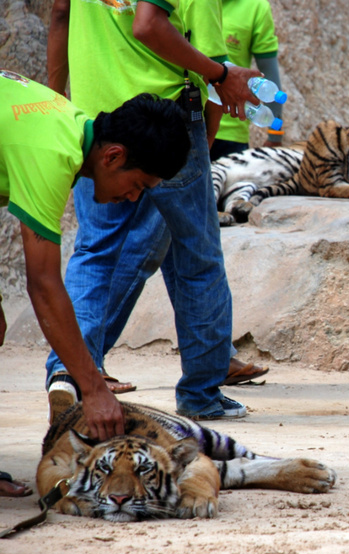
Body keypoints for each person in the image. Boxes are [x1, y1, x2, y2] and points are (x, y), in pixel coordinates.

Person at [46, 0, 263, 420]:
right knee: (197, 258)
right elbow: (167, 36)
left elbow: (59, 12)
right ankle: (201, 395)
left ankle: (67, 375)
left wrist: (58, 100)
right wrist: (207, 128)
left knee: (93, 251)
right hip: (166, 123)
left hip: (97, 121)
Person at [0, 72, 191, 494]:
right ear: (112, 156)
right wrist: (92, 387)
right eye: (138, 184)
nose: (134, 197)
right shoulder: (50, 151)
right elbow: (44, 285)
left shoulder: (69, 124)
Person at [209, 0, 285, 161]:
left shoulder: (256, 6)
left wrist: (275, 134)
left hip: (231, 132)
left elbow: (270, 77)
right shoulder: (194, 3)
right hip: (188, 124)